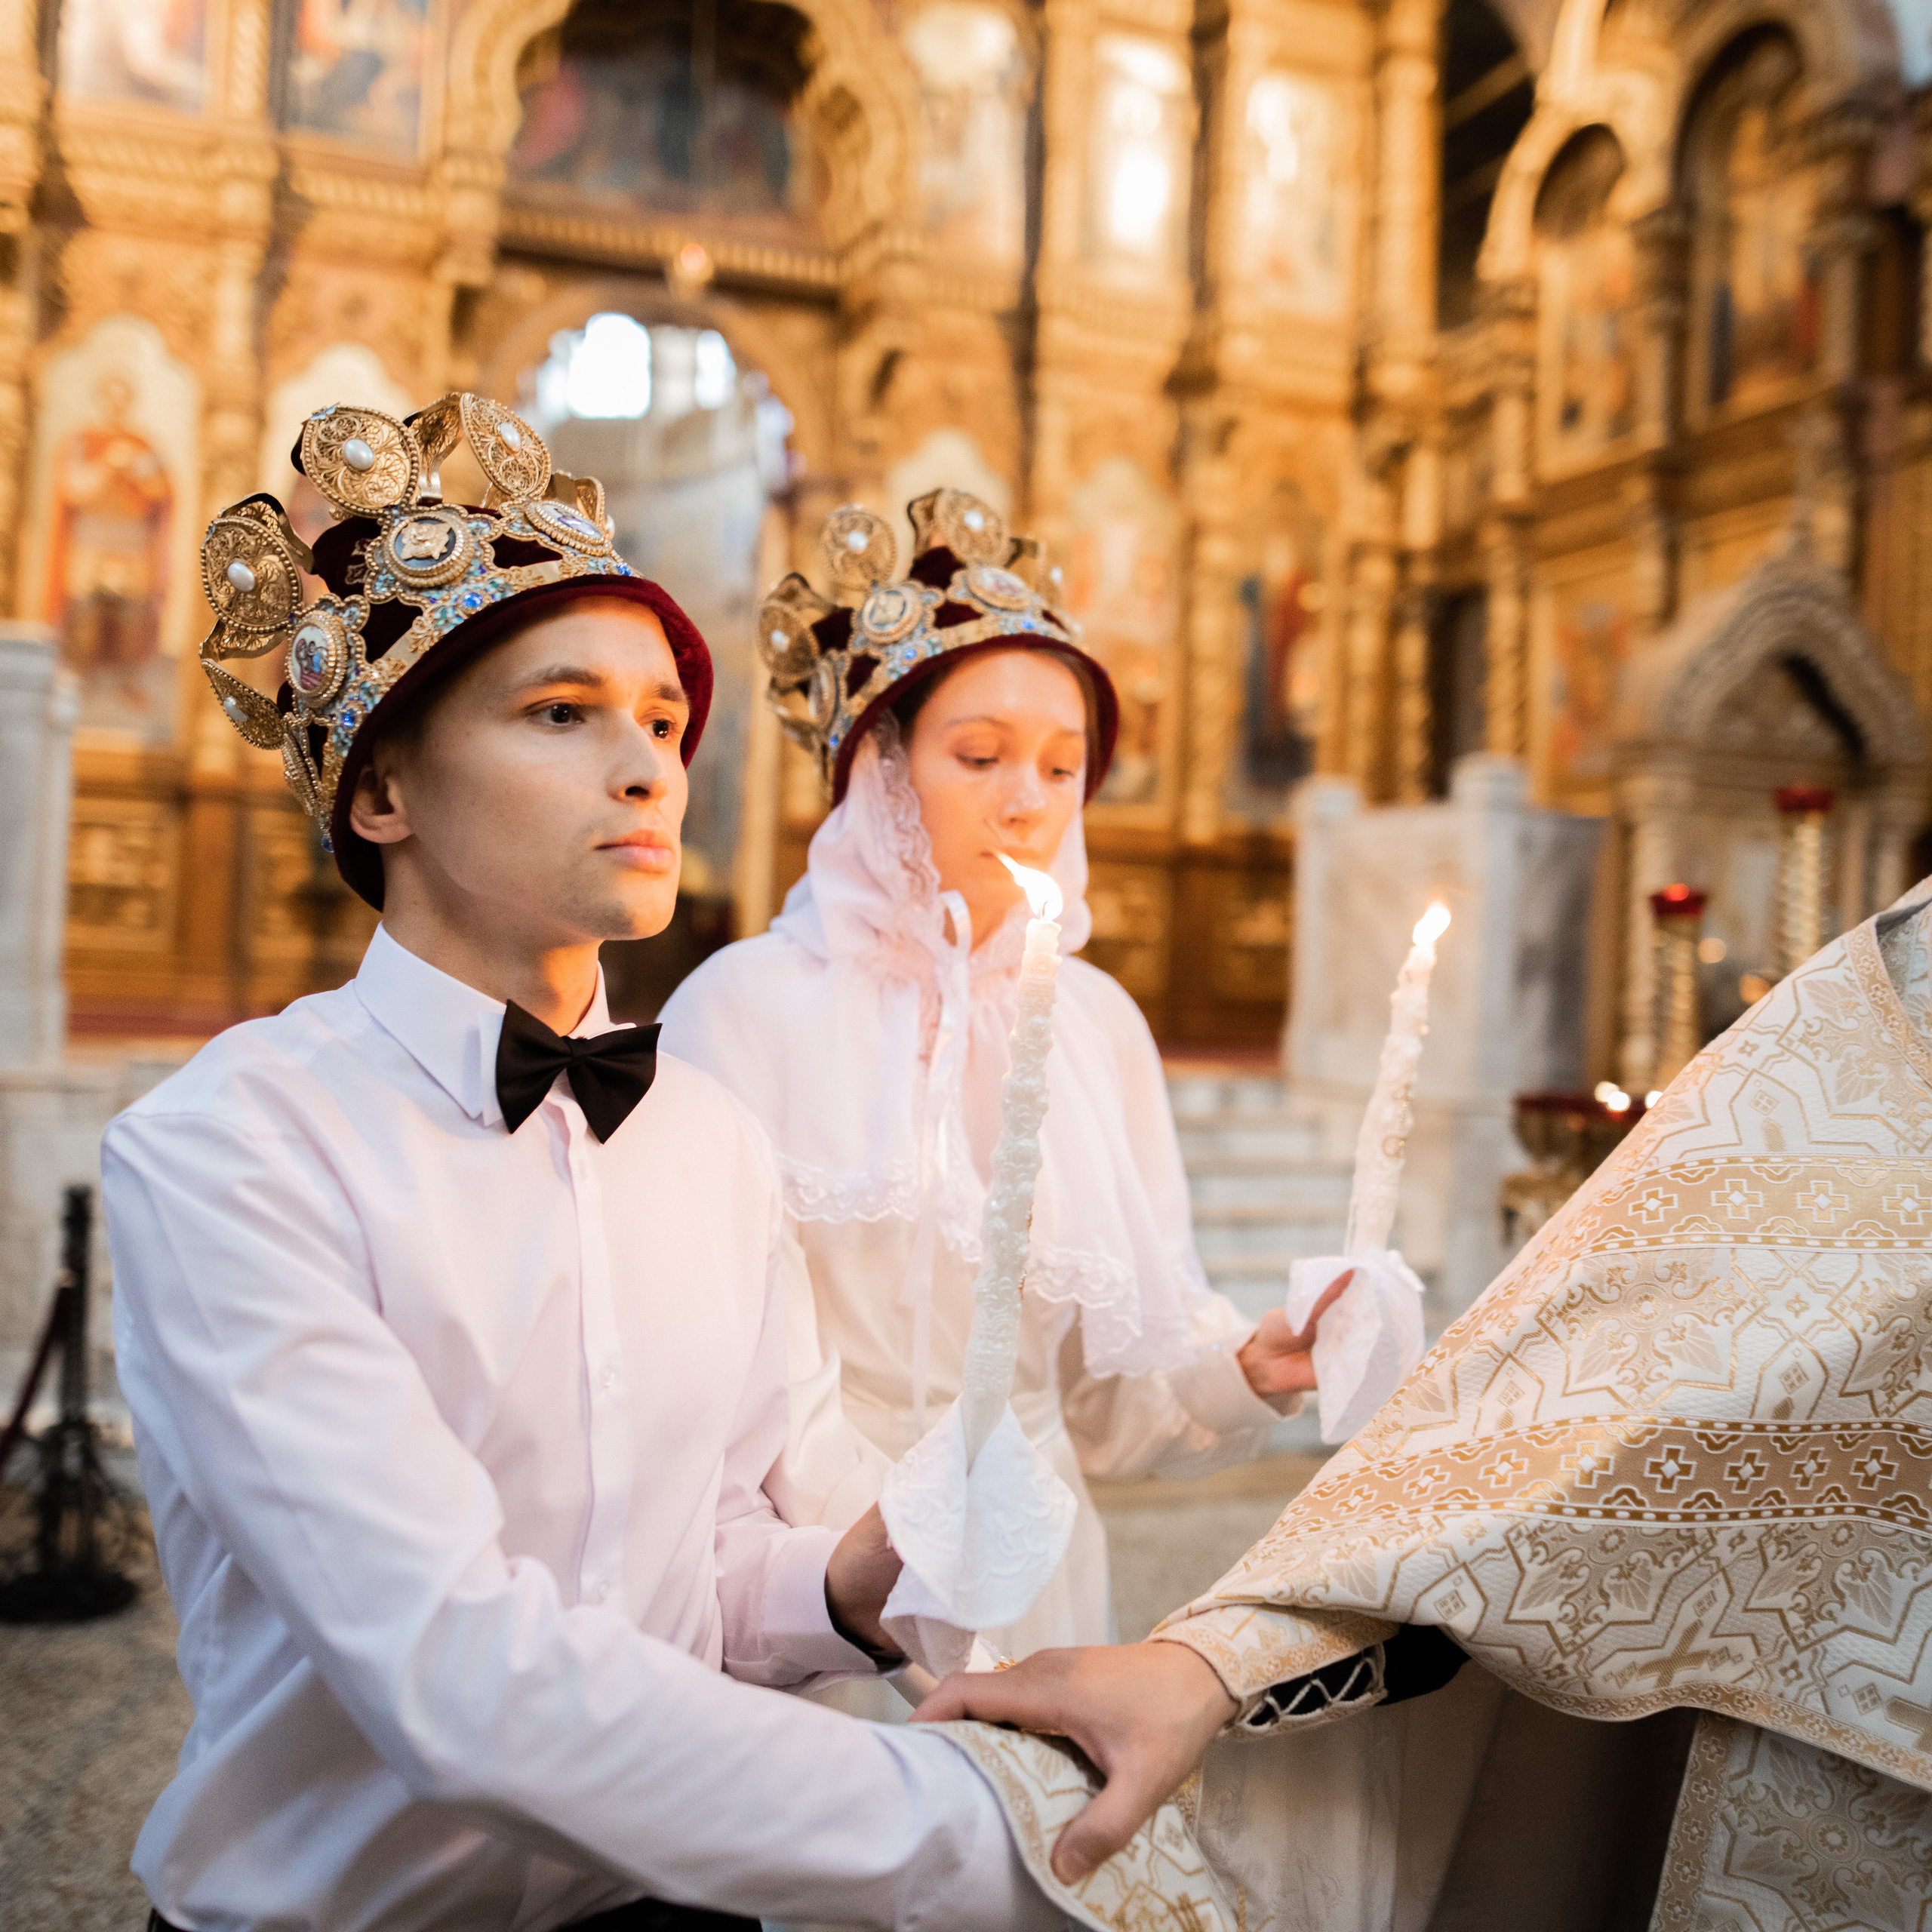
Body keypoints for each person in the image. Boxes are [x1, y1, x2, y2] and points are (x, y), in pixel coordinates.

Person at [107, 396, 1088, 1932]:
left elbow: (701, 1563)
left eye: (658, 718)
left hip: (664, 1901)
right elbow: (453, 1670)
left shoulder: (702, 1132)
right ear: (383, 791)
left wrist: (850, 1573)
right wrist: (980, 1829)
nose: (645, 765)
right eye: (560, 711)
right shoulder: (234, 1149)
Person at [918, 875, 1932, 1926]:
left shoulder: (1095, 1030)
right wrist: (1216, 1661)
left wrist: (1232, 1378)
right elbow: (1612, 1405)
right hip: (850, 1562)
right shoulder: (1892, 1007)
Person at [657, 489, 1345, 1664]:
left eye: (1063, 767)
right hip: (815, 1572)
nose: (1026, 800)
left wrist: (1243, 1368)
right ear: (880, 768)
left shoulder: (1096, 1027)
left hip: (1039, 1566)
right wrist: (885, 1561)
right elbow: (738, 1373)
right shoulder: (742, 1008)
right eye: (978, 756)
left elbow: (1111, 1399)